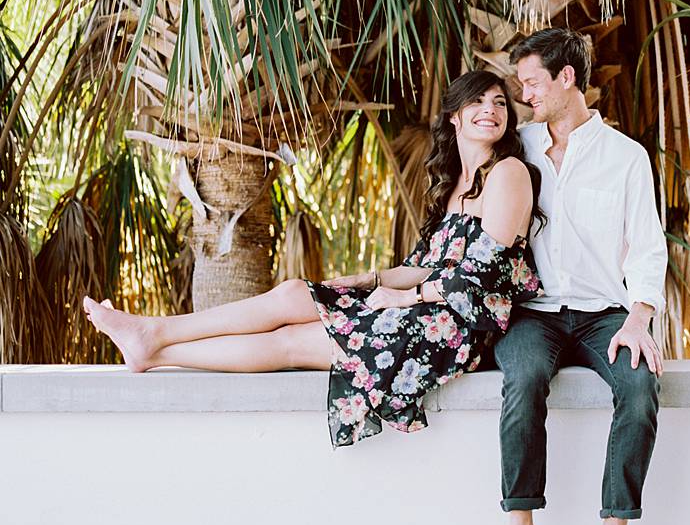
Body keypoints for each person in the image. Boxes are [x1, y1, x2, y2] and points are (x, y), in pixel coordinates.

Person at [83, 70, 543, 446]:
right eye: (478, 102)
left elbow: (483, 275)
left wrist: (405, 299)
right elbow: (429, 264)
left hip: (461, 329)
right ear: (454, 118)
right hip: (427, 306)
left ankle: (159, 350)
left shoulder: (508, 173)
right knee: (294, 293)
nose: (491, 110)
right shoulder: (453, 185)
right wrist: (364, 280)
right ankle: (156, 333)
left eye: (500, 102)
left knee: (294, 342)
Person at [495, 28, 667, 525]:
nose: (525, 95)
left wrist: (640, 315)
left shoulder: (625, 157)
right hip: (534, 313)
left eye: (533, 83)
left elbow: (647, 245)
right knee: (520, 382)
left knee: (641, 387)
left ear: (567, 79)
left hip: (603, 315)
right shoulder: (516, 148)